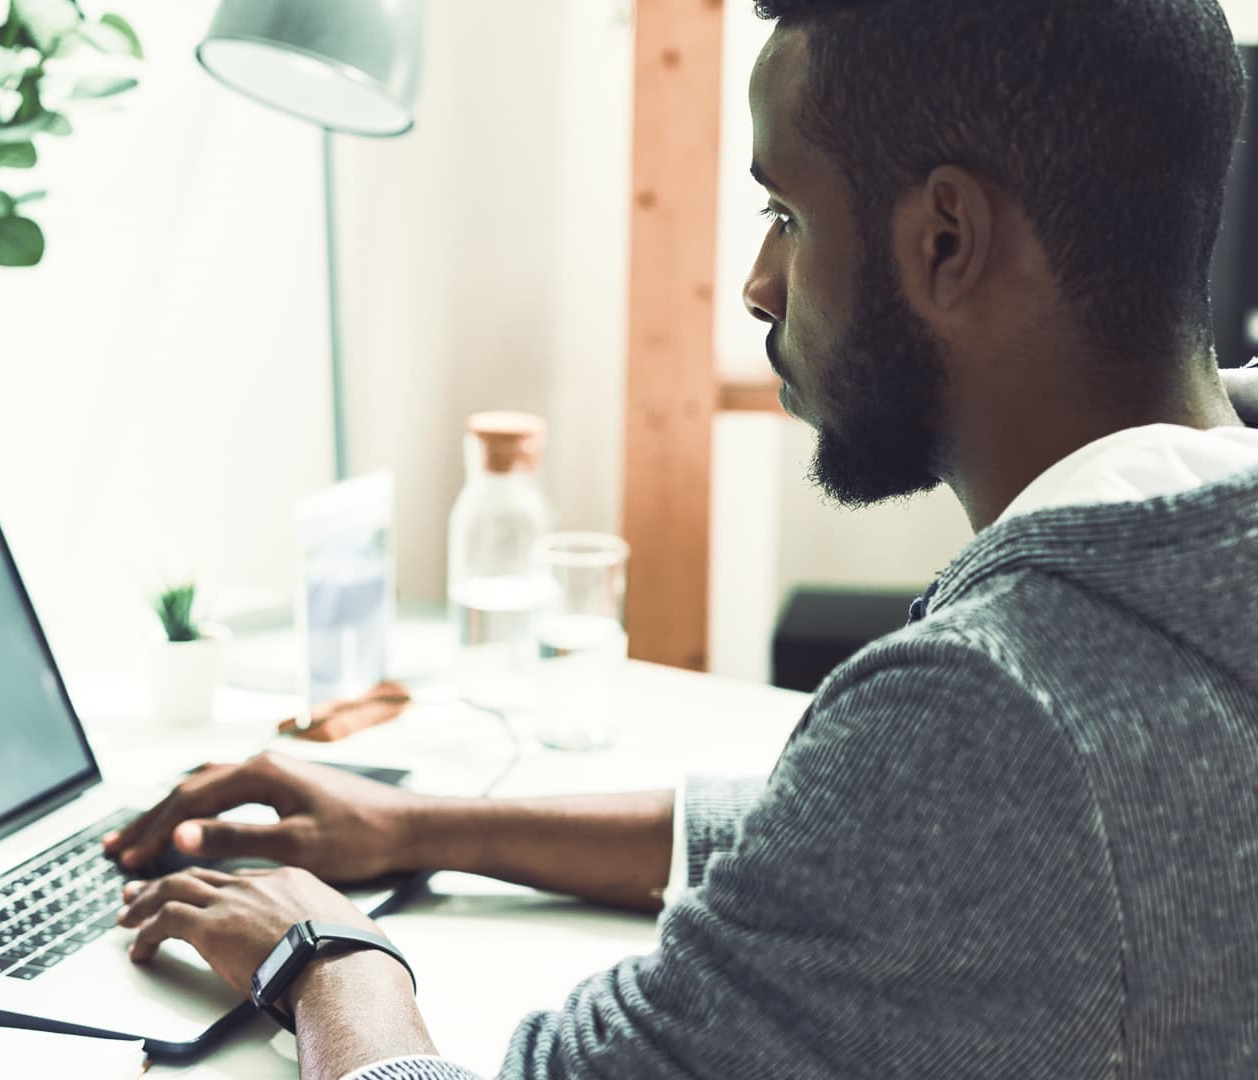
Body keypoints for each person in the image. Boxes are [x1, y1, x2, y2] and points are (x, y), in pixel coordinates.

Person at [105, 1, 1258, 1077]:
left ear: (946, 239)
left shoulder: (1000, 709)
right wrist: (416, 823)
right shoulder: (1194, 570)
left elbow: (944, 810)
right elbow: (886, 857)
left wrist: (322, 958)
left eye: (787, 216)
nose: (760, 285)